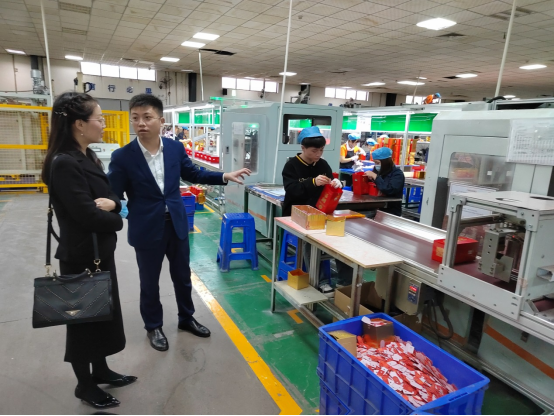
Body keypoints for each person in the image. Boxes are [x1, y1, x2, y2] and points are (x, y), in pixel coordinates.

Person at [108, 94, 251, 352]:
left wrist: (224, 176)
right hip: (146, 228)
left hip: (175, 223)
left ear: (161, 121)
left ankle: (186, 318)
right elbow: (114, 194)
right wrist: (117, 208)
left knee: (183, 276)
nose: (141, 123)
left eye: (147, 117)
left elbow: (193, 173)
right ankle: (153, 326)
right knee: (149, 282)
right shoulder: (122, 157)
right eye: (135, 118)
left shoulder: (174, 148)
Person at [41, 92, 135, 410]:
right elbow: (87, 214)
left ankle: (101, 370)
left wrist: (115, 206)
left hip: (99, 252)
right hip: (81, 255)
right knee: (83, 323)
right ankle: (84, 385)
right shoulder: (64, 163)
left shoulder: (88, 156)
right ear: (79, 124)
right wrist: (117, 218)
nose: (104, 124)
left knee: (102, 317)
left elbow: (110, 197)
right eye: (99, 118)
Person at [282, 126, 353, 293]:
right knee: (311, 243)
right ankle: (319, 281)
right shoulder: (292, 165)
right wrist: (312, 182)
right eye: (314, 151)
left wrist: (335, 183)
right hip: (296, 213)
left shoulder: (322, 164)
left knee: (339, 238)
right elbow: (292, 190)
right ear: (303, 148)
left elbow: (330, 182)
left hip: (320, 212)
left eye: (321, 150)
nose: (318, 154)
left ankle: (345, 283)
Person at [365, 147, 405, 216]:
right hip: (375, 208)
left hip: (391, 212)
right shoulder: (378, 171)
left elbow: (389, 189)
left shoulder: (397, 174)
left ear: (386, 162)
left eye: (377, 163)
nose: (376, 165)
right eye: (375, 163)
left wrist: (376, 177)